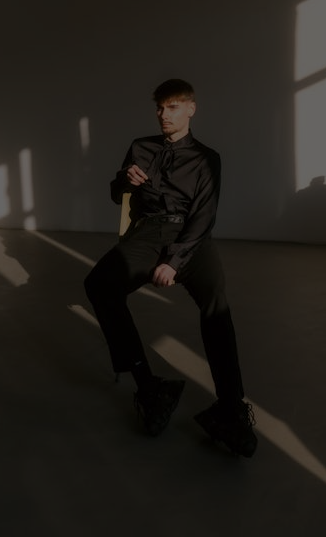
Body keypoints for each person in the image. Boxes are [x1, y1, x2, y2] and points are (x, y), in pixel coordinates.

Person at [84, 79, 257, 457]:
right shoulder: (140, 147)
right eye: (160, 108)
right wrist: (125, 180)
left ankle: (231, 407)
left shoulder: (207, 158)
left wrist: (173, 261)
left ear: (191, 109)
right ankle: (149, 387)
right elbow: (116, 194)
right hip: (148, 232)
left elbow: (204, 216)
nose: (164, 115)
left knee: (216, 304)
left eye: (173, 107)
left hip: (191, 236)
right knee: (98, 284)